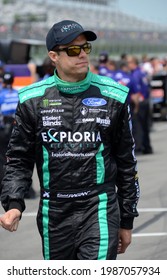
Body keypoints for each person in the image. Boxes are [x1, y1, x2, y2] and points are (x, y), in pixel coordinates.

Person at [0, 20, 140, 260]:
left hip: (99, 208)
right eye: (73, 50)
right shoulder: (32, 99)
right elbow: (18, 159)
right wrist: (14, 203)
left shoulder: (113, 96)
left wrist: (126, 220)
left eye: (86, 48)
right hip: (54, 211)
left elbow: (127, 163)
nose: (82, 55)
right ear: (54, 55)